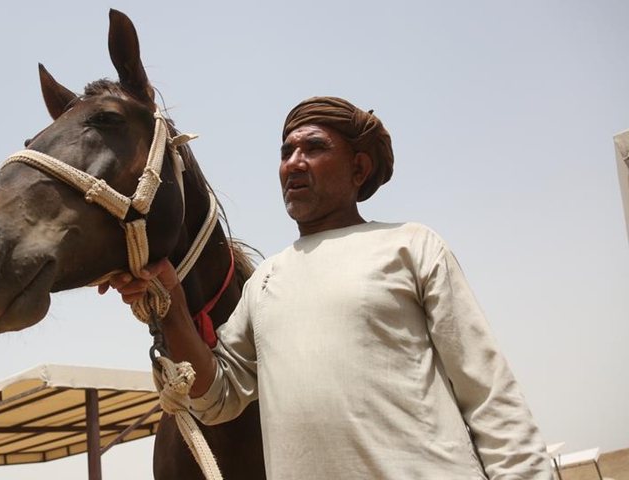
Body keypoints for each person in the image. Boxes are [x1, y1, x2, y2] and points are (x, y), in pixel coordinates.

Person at [105, 96, 552, 479]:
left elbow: (489, 392)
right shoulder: (265, 282)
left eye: (313, 148)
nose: (293, 163)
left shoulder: (411, 246)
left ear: (358, 168)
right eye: (286, 152)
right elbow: (216, 397)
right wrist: (172, 305)